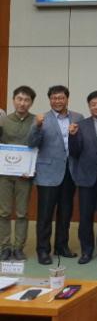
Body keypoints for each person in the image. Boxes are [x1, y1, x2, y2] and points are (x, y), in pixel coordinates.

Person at [28, 85, 84, 265]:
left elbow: (81, 143)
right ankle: (43, 250)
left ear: (67, 99)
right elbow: (32, 143)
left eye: (61, 98)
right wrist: (37, 126)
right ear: (49, 100)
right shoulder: (41, 119)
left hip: (70, 172)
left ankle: (62, 246)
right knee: (45, 215)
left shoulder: (78, 117)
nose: (57, 101)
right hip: (47, 173)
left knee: (66, 212)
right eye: (54, 98)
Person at [68, 90, 97, 264]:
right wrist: (72, 137)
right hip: (87, 176)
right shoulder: (81, 125)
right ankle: (86, 250)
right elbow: (75, 152)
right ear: (89, 106)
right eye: (93, 104)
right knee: (86, 215)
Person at [0, 86, 36, 261]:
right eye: (19, 99)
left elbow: (39, 145)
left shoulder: (36, 121)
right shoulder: (3, 121)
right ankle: (5, 247)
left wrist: (31, 168)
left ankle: (18, 248)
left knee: (22, 213)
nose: (22, 103)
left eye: (26, 100)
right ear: (13, 100)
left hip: (24, 175)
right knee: (4, 212)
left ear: (31, 103)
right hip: (4, 175)